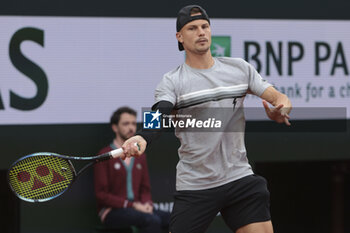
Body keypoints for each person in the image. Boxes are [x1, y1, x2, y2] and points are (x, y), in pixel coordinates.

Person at [121, 5, 292, 233]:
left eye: (205, 26)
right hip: (196, 184)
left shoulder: (239, 69)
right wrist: (142, 137)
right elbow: (160, 114)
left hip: (238, 177)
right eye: (192, 28)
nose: (201, 32)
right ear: (179, 37)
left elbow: (278, 97)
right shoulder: (172, 81)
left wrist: (282, 107)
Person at [94, 106, 170, 233]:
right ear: (115, 127)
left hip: (138, 208)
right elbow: (101, 195)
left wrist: (147, 204)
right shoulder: (104, 155)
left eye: (134, 123)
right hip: (111, 212)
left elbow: (145, 189)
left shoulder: (140, 156)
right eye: (126, 123)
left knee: (170, 219)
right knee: (152, 221)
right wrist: (132, 205)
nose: (131, 128)